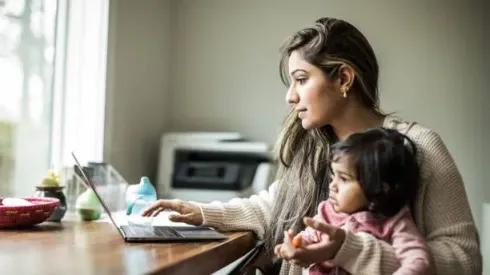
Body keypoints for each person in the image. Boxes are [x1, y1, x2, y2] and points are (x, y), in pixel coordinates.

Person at [142, 17, 482, 275]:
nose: (290, 97)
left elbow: (464, 258)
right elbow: (272, 207)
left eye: (302, 80)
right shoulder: (314, 147)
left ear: (344, 78)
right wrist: (200, 213)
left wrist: (350, 250)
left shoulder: (419, 147)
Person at [274, 127, 434, 275]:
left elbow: (420, 261)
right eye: (333, 177)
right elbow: (310, 236)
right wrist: (296, 244)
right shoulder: (329, 212)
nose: (332, 185)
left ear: (379, 188)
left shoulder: (395, 222)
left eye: (343, 179)